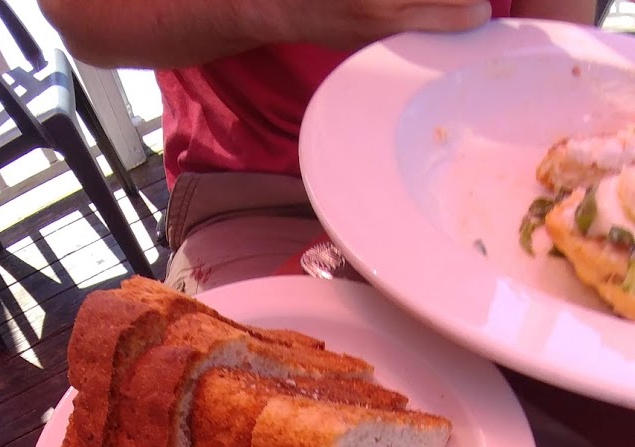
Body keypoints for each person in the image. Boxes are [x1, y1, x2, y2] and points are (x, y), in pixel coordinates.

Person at [40, 0, 597, 293]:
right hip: (264, 187)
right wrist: (283, 8)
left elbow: (554, 40)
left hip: (489, 169)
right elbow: (80, 13)